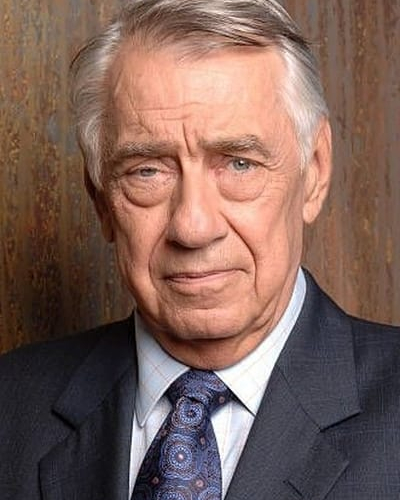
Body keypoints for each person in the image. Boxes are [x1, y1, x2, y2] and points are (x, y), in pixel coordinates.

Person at [1, 0, 399, 499]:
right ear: (101, 198)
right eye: (147, 171)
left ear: (314, 172)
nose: (193, 227)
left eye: (239, 164)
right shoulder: (10, 408)